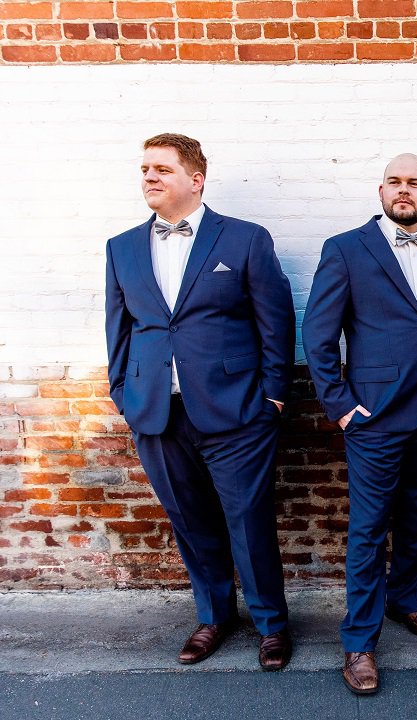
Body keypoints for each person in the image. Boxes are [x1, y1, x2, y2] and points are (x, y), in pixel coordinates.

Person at [104, 133, 296, 670]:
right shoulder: (121, 248)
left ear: (196, 179)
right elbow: (118, 330)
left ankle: (271, 624)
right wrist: (124, 393)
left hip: (237, 413)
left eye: (162, 169)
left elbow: (276, 323)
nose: (150, 177)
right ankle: (214, 617)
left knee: (248, 521)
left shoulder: (244, 240)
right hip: (156, 414)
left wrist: (274, 398)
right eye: (145, 169)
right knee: (189, 520)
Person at [301, 154, 417, 694]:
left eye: (414, 184)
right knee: (369, 530)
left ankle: (405, 601)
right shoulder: (346, 249)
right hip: (373, 417)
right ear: (380, 191)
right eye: (395, 183)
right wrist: (342, 405)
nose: (405, 191)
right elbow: (319, 336)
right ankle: (358, 642)